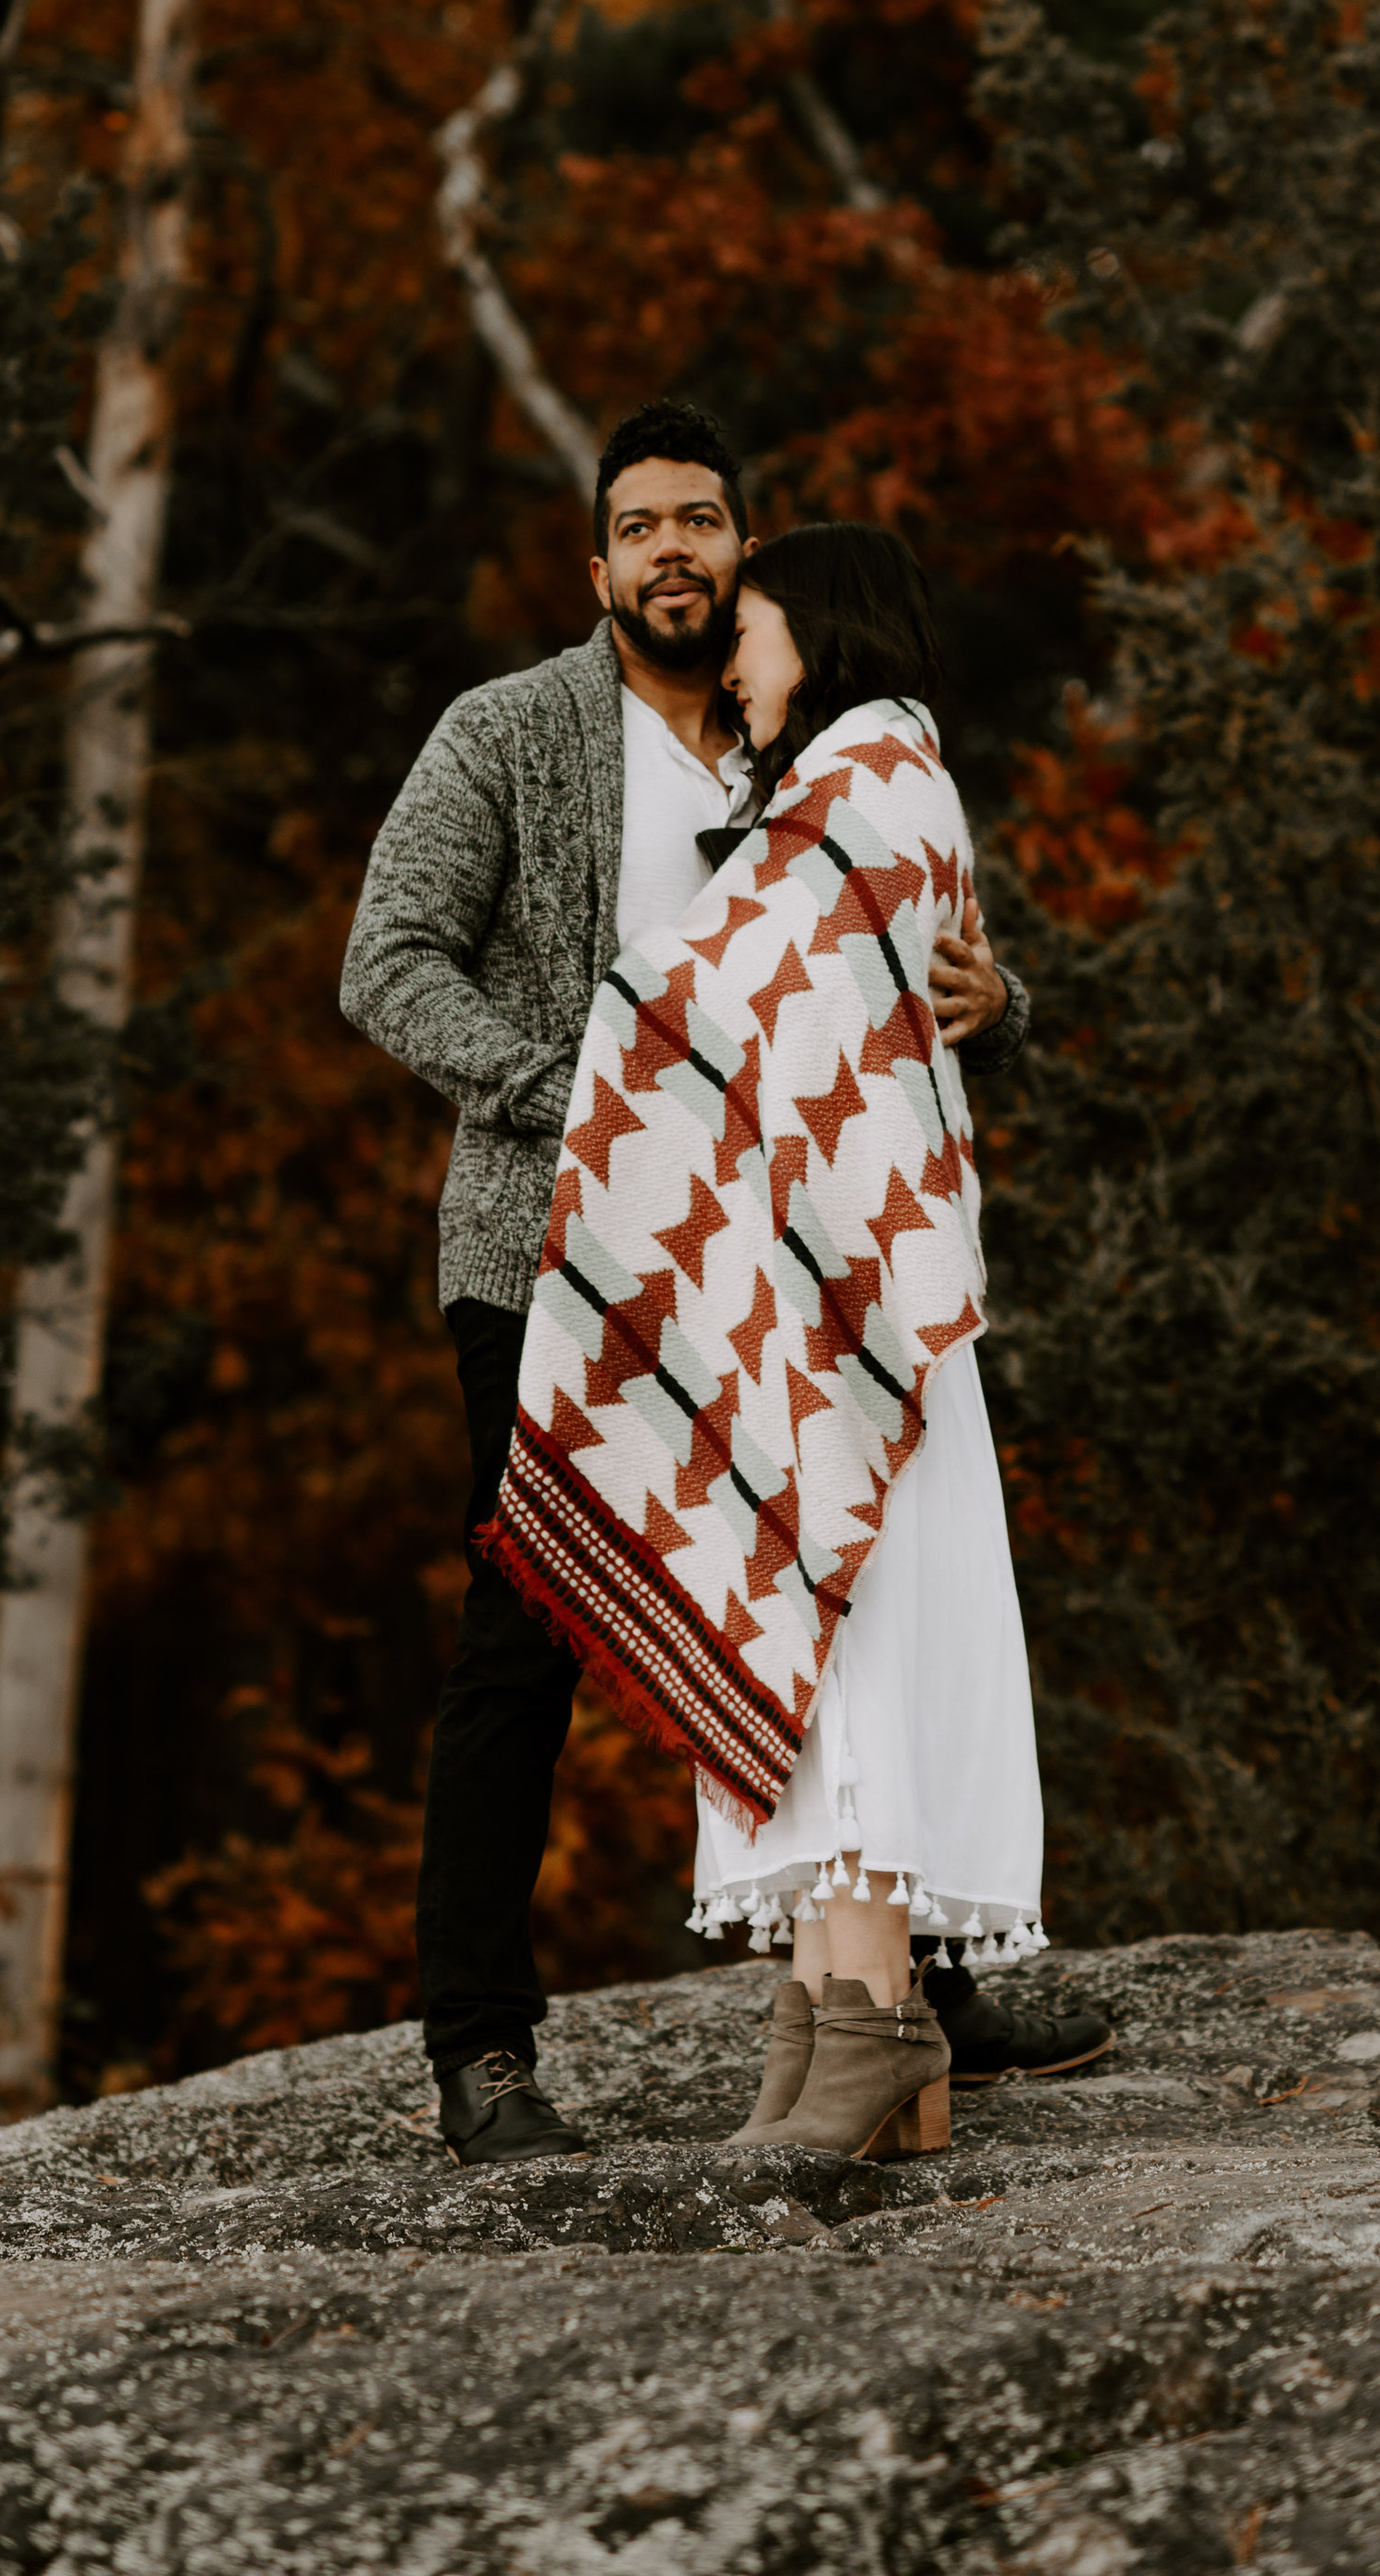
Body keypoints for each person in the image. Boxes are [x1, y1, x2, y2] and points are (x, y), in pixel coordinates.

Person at [341, 404, 1036, 2167]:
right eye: (638, 525)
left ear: (747, 553)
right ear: (597, 565)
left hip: (768, 1278)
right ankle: (483, 2048)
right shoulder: (510, 733)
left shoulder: (792, 744)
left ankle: (911, 1989)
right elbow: (386, 959)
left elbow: (889, 975)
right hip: (545, 1248)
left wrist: (995, 998)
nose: (672, 549)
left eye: (703, 521)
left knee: (820, 1592)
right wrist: (562, 1090)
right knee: (534, 1629)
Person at [488, 521, 1104, 2160]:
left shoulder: (874, 781)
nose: (735, 663)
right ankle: (838, 2012)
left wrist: (627, 1021)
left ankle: (882, 2011)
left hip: (865, 1324)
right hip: (817, 1313)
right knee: (818, 1655)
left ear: (817, 630)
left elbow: (763, 1005)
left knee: (868, 1648)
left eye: (751, 625)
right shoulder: (834, 794)